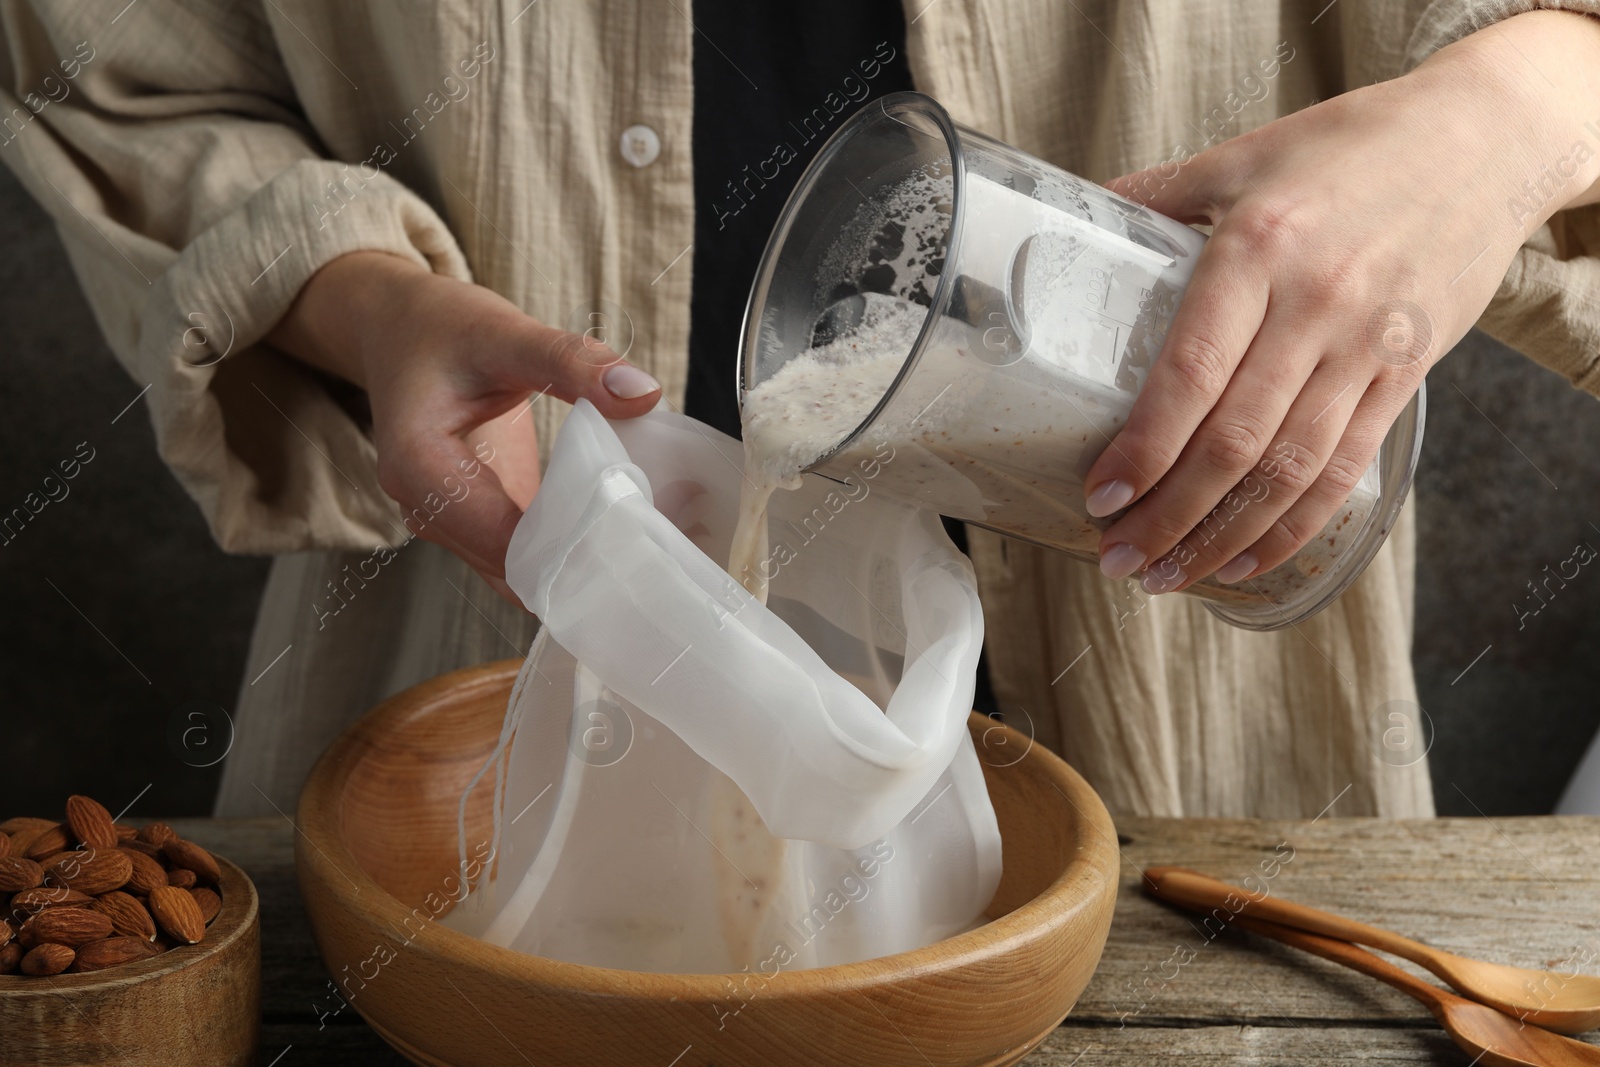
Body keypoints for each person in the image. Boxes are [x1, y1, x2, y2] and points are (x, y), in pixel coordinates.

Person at [4, 1, 1598, 821]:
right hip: (494, 685)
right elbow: (126, 73)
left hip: (1199, 758)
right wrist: (366, 302)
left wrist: (1509, 112)